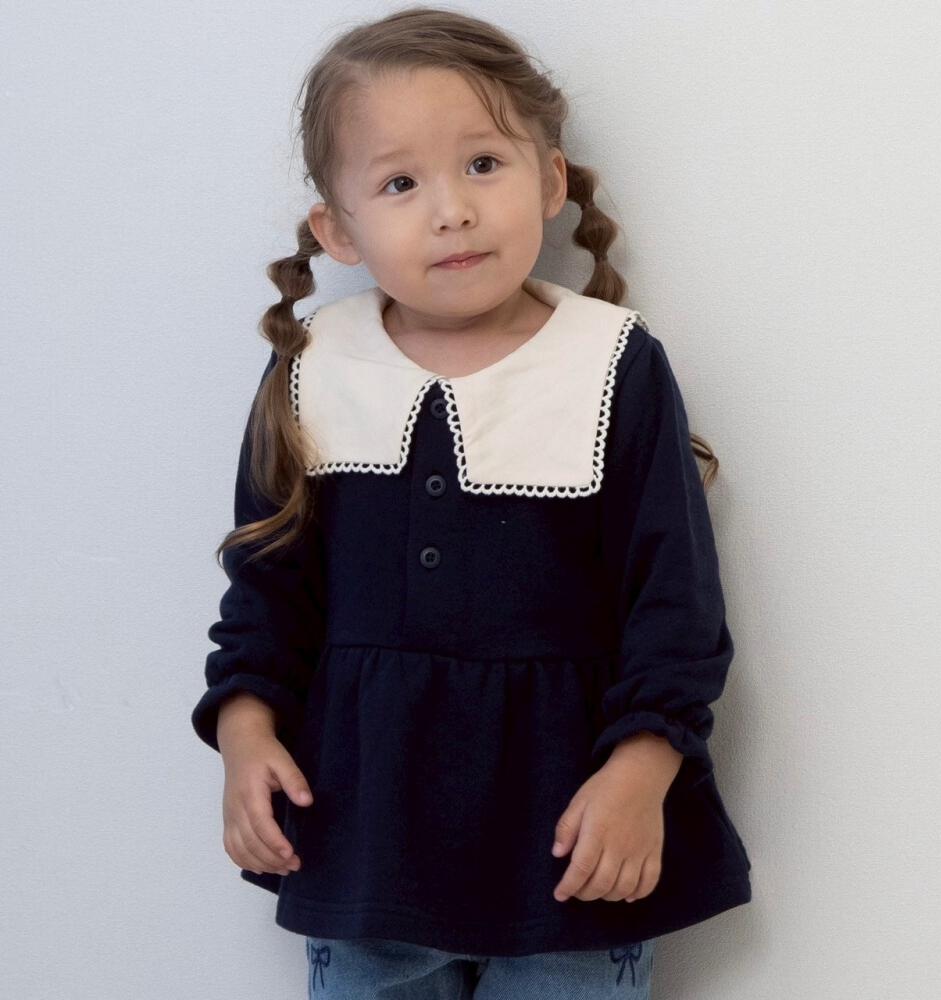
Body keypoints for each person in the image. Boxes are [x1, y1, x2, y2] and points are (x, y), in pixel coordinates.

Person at [190, 6, 751, 997]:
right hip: (363, 839)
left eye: (483, 164)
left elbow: (676, 601)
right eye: (400, 183)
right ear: (338, 229)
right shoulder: (314, 370)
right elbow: (265, 589)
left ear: (549, 180)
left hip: (575, 847)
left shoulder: (612, 364)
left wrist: (643, 768)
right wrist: (244, 732)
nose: (451, 210)